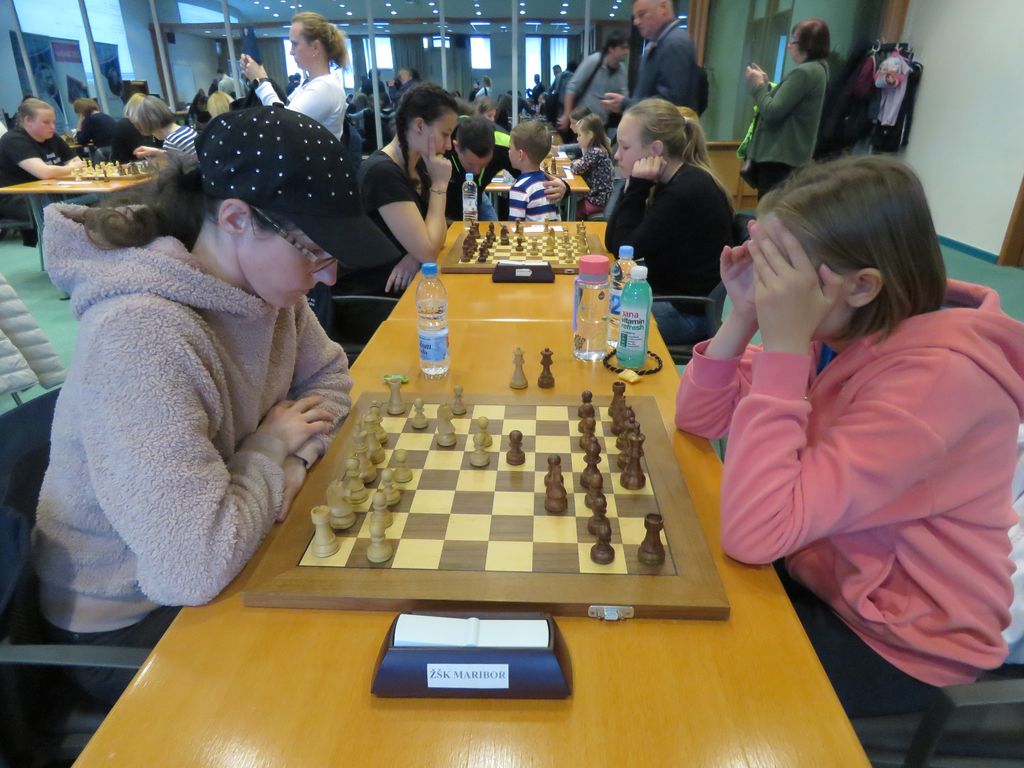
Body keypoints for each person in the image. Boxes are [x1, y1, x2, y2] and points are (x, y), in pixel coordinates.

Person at [31, 106, 391, 705]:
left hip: (231, 548)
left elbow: (331, 379)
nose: (328, 277)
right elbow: (192, 567)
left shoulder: (267, 291)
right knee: (340, 685)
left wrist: (293, 460)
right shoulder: (139, 335)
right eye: (314, 251)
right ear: (236, 218)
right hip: (133, 620)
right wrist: (268, 450)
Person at [675, 154, 1024, 717]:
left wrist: (785, 349)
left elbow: (754, 534)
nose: (773, 286)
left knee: (694, 682)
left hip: (903, 641)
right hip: (822, 572)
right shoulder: (841, 329)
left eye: (785, 269)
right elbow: (698, 418)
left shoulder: (941, 380)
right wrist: (742, 316)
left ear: (862, 285)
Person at [605, 98, 732, 344]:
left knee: (599, 321)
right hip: (668, 298)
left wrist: (637, 188)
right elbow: (614, 242)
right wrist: (633, 186)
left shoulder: (685, 190)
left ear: (655, 149)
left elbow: (624, 249)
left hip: (687, 312)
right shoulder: (671, 182)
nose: (617, 155)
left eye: (625, 147)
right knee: (590, 304)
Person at [355, 82, 457, 296]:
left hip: (415, 281)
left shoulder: (420, 164)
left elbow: (437, 232)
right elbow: (429, 251)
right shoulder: (382, 173)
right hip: (379, 292)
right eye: (445, 134)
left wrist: (413, 255)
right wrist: (440, 186)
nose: (448, 145)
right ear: (419, 125)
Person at [743, 18, 830, 197]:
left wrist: (757, 87)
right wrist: (766, 86)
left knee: (769, 208)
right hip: (791, 158)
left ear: (807, 45)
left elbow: (772, 111)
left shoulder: (804, 72)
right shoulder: (819, 70)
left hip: (779, 159)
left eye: (794, 41)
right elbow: (786, 105)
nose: (789, 45)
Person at [240, 12, 349, 141]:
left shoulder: (325, 87)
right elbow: (284, 108)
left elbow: (283, 124)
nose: (291, 52)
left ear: (315, 47)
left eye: (295, 44)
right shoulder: (311, 84)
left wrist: (261, 81)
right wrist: (260, 75)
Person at [0, 98, 84, 245]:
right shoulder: (13, 140)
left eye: (53, 122)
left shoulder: (52, 137)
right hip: (16, 199)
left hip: (50, 192)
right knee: (66, 213)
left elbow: (79, 163)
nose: (52, 127)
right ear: (28, 120)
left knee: (90, 203)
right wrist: (70, 169)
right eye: (46, 122)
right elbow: (44, 173)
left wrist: (62, 170)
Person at [601, 0, 701, 115]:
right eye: (635, 17)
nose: (636, 22)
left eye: (641, 14)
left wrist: (626, 104)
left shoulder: (674, 44)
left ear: (663, 7)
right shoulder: (662, 42)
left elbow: (668, 105)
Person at [560, 32, 629, 130]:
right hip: (582, 121)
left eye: (627, 48)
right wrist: (567, 115)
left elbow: (624, 97)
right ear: (611, 48)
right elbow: (572, 87)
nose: (626, 52)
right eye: (623, 48)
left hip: (602, 123)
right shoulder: (595, 60)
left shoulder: (621, 71)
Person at [508, 120, 559, 222]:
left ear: (521, 155)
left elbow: (515, 226)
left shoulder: (520, 188)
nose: (508, 151)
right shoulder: (550, 183)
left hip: (531, 233)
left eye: (510, 148)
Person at [125, 95, 198, 164]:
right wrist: (158, 152)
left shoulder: (170, 142)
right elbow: (184, 157)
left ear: (147, 124)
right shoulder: (187, 130)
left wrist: (155, 161)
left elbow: (176, 170)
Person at [570, 114, 614, 218]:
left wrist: (573, 164)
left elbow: (577, 169)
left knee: (574, 209)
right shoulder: (598, 149)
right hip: (601, 197)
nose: (577, 139)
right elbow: (581, 162)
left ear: (590, 135)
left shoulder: (595, 152)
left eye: (579, 135)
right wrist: (577, 162)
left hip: (598, 199)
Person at [109, 94, 154, 164]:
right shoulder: (126, 124)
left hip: (137, 162)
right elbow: (141, 150)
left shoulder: (132, 123)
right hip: (127, 165)